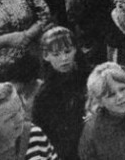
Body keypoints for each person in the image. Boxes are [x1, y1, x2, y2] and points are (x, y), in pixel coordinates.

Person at [33, 27, 87, 160]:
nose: (64, 58)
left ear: (75, 49)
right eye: (56, 54)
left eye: (68, 51)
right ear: (46, 56)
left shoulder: (90, 78)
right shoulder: (44, 95)